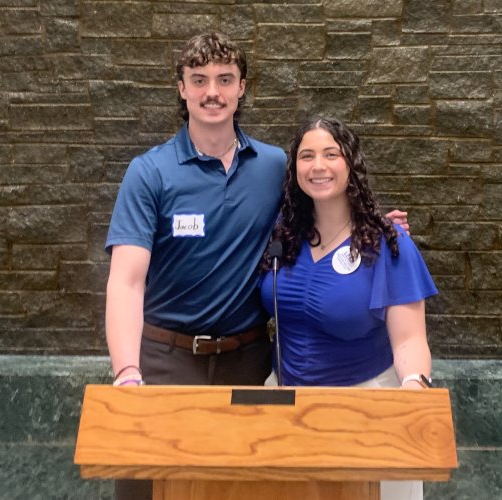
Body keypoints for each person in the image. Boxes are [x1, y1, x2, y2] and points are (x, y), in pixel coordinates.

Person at [104, 33, 408, 499]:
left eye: (225, 79)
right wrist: (127, 372)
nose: (212, 91)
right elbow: (126, 282)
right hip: (167, 362)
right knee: (152, 488)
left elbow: (320, 207)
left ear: (242, 88)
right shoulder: (150, 173)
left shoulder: (271, 165)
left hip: (250, 363)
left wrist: (372, 227)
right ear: (181, 88)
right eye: (199, 79)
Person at [258, 116, 437, 499]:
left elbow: (409, 341)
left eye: (330, 154)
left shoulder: (388, 245)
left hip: (366, 406)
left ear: (350, 165)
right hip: (288, 404)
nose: (318, 166)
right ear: (295, 170)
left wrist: (414, 389)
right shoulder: (283, 234)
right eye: (306, 156)